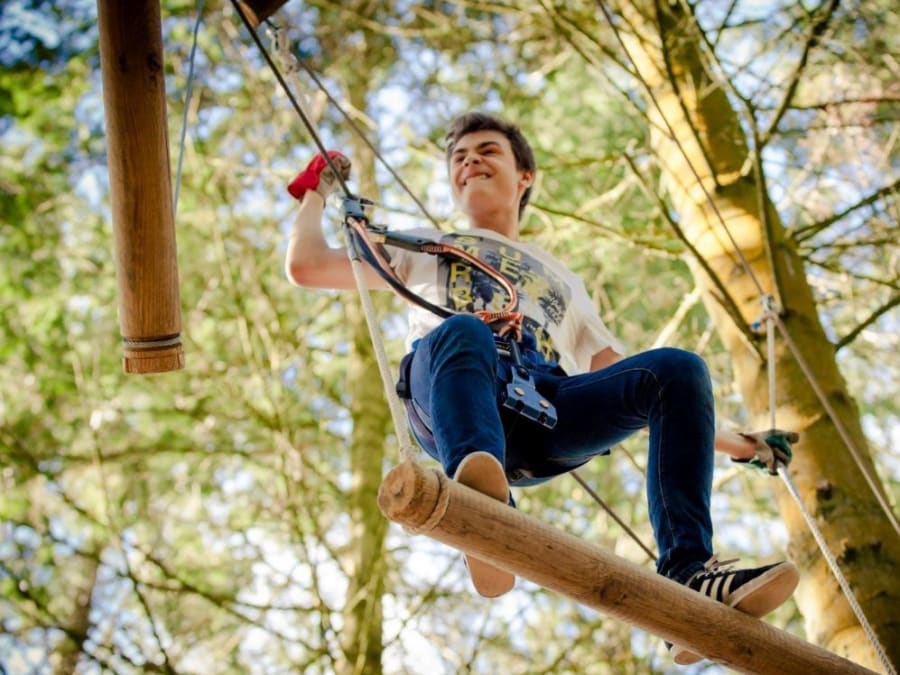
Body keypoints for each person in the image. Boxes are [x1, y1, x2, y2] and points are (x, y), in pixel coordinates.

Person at [285, 112, 798, 665]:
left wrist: (742, 445)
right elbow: (308, 266)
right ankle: (478, 498)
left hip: (545, 406)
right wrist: (315, 193)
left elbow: (636, 380)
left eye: (486, 151)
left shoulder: (563, 282)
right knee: (463, 329)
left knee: (678, 368)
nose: (469, 162)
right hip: (457, 390)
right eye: (458, 158)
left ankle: (689, 571)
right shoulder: (427, 246)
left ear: (524, 175)